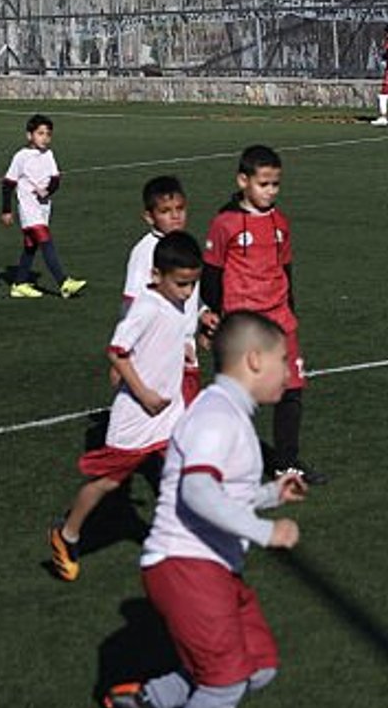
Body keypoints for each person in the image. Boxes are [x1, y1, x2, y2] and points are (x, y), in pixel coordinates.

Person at [100, 310, 310, 708]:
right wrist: (265, 531)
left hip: (210, 567)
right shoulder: (217, 416)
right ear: (254, 360)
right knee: (223, 679)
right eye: (283, 360)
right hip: (187, 565)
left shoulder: (229, 415)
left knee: (257, 667)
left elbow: (217, 491)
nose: (289, 371)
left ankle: (145, 703)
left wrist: (269, 494)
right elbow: (196, 492)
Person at [48, 231, 205, 582]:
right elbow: (117, 352)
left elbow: (168, 337)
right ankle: (67, 533)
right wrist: (143, 394)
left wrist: (185, 349)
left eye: (193, 285)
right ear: (156, 275)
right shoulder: (146, 307)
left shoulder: (177, 301)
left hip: (169, 411)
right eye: (182, 284)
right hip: (137, 415)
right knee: (107, 483)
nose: (187, 292)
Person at [202, 145, 320, 482]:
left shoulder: (280, 222)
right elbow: (212, 275)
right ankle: (228, 462)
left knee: (292, 390)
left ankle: (286, 462)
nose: (270, 191)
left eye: (275, 184)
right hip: (243, 323)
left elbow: (286, 269)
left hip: (280, 320)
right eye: (263, 184)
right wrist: (213, 317)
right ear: (243, 181)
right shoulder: (224, 224)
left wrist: (290, 310)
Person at [1, 114, 87, 298]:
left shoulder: (49, 155)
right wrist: (6, 210)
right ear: (29, 135)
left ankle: (19, 284)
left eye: (48, 134)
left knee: (31, 245)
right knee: (44, 239)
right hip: (28, 207)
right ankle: (63, 282)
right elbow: (8, 184)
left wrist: (47, 191)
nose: (45, 138)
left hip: (44, 207)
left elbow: (56, 180)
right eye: (40, 133)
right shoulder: (21, 156)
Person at [122, 175, 195, 317]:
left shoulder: (186, 243)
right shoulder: (145, 252)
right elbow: (131, 298)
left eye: (180, 208)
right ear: (149, 217)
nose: (175, 216)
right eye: (165, 211)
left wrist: (202, 311)